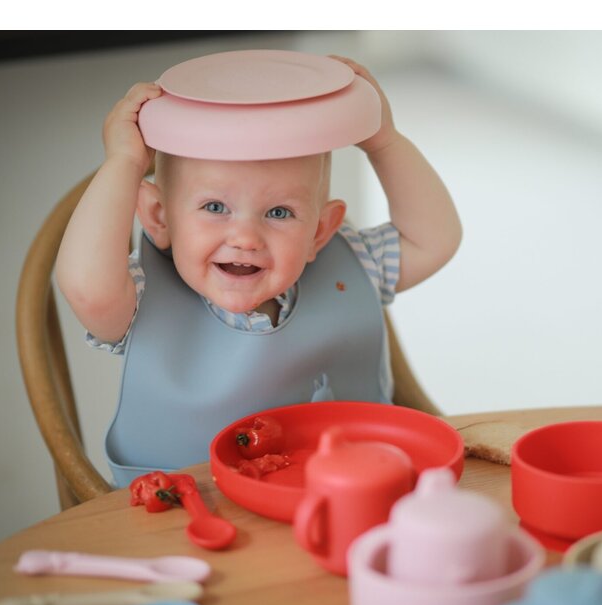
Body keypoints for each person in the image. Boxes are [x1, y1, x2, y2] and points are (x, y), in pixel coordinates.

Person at [56, 55, 461, 486]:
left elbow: (434, 239)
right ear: (159, 217)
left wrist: (384, 142)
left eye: (280, 212)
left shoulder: (352, 264)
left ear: (320, 231)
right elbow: (87, 288)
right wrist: (124, 163)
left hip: (345, 500)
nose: (246, 237)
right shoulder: (140, 299)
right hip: (181, 520)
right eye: (215, 207)